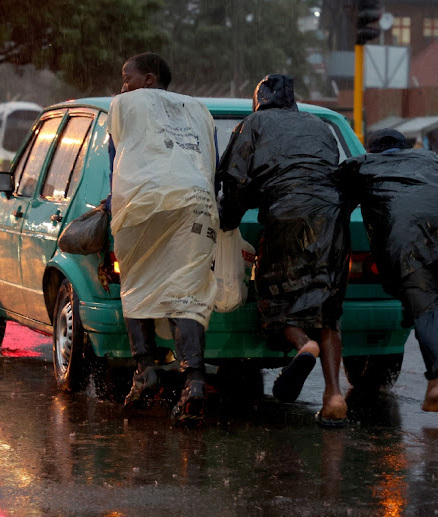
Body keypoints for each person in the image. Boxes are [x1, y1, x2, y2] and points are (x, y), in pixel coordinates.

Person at [215, 74, 351, 428]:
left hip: (286, 215)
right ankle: (335, 395)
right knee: (325, 306)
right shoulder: (319, 125)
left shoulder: (253, 124)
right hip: (332, 218)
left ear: (258, 101)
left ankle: (303, 345)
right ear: (293, 101)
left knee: (278, 295)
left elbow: (235, 180)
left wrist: (228, 221)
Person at [339, 129, 438, 436]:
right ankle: (434, 386)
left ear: (371, 150)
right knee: (427, 302)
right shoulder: (429, 159)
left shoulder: (363, 165)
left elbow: (336, 205)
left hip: (408, 237)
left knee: (425, 306)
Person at [107, 52, 219, 422]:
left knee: (138, 282)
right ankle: (195, 382)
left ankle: (146, 370)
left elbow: (118, 162)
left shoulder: (125, 105)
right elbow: (210, 164)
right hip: (196, 202)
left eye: (128, 78)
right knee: (186, 293)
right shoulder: (198, 110)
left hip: (144, 201)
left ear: (149, 79)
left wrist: (111, 206)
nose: (123, 86)